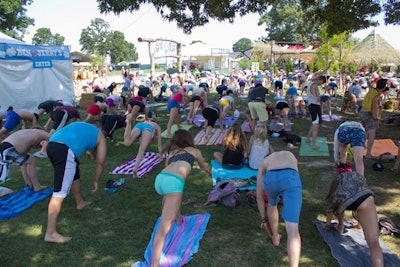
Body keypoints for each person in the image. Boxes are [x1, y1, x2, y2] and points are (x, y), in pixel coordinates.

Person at [151, 129, 210, 266]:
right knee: (164, 227)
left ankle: (178, 219)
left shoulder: (172, 153)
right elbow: (202, 165)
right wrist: (207, 171)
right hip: (173, 182)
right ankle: (154, 264)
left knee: (171, 199)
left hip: (160, 179)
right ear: (189, 139)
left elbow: (168, 169)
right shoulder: (194, 151)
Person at [44, 122, 107, 243]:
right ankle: (50, 233)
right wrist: (96, 181)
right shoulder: (100, 135)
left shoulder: (82, 125)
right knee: (59, 193)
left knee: (74, 171)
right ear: (100, 129)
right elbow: (101, 162)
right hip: (64, 150)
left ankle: (80, 202)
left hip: (51, 145)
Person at [324, 171, 383, 267]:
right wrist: (360, 224)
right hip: (366, 197)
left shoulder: (337, 186)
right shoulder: (358, 179)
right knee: (373, 241)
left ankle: (340, 226)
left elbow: (331, 208)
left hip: (351, 200)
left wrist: (328, 225)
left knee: (340, 205)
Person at [256, 151, 302, 267]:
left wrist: (263, 219)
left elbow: (259, 196)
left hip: (270, 180)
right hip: (290, 178)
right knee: (293, 231)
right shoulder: (290, 154)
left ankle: (275, 237)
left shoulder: (264, 162)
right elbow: (296, 175)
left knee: (272, 203)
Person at [123, 113, 162, 178]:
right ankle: (135, 169)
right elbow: (159, 143)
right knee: (141, 149)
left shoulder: (146, 121)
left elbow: (141, 139)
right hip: (148, 128)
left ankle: (129, 123)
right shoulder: (157, 126)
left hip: (139, 125)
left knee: (127, 143)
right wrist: (160, 154)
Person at [359, 78, 388, 159]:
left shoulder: (372, 90)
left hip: (361, 112)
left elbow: (370, 85)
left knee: (366, 131)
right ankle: (368, 153)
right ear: (383, 87)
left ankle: (361, 147)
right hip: (367, 114)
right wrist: (376, 119)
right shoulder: (376, 95)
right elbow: (374, 108)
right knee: (372, 133)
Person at [305, 75, 327, 150]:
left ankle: (308, 138)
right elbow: (317, 97)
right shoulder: (314, 85)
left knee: (314, 123)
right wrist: (319, 99)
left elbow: (319, 74)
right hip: (314, 105)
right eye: (322, 82)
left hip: (313, 105)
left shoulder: (311, 82)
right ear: (320, 80)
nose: (321, 84)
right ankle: (313, 144)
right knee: (315, 125)